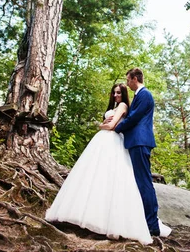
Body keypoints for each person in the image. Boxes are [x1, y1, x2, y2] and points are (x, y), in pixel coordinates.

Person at [45, 83, 153, 244]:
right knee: (92, 176)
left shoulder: (123, 105)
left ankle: (108, 221)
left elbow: (110, 126)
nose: (115, 95)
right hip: (102, 142)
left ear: (124, 94)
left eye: (118, 93)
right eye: (114, 92)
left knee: (110, 176)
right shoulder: (115, 106)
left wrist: (100, 125)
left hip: (113, 141)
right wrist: (104, 125)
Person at [102, 68, 169, 237]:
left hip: (140, 142)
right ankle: (145, 222)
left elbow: (134, 118)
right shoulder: (140, 96)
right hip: (136, 142)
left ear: (134, 79)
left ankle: (152, 225)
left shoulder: (145, 95)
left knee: (144, 182)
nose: (127, 83)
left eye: (128, 80)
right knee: (139, 182)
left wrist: (116, 128)